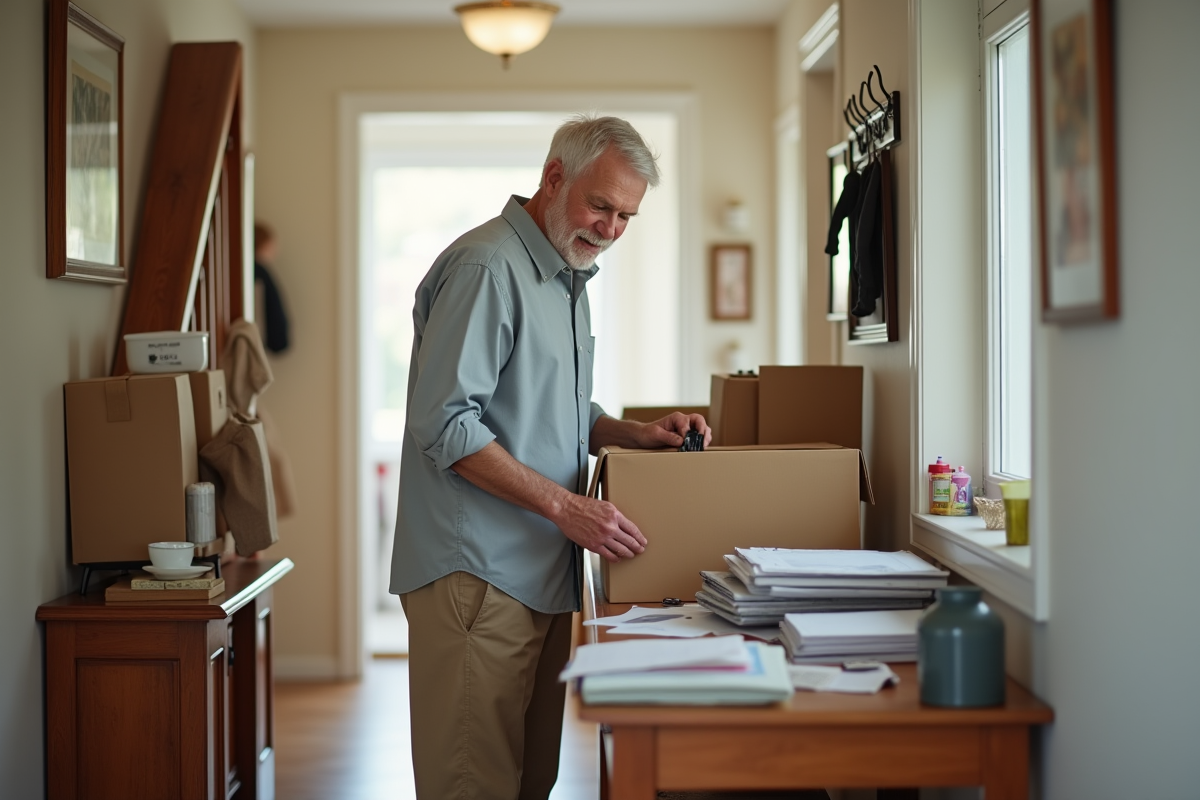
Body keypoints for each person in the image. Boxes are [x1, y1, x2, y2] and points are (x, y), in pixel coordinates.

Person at [389, 114, 711, 800]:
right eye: (602, 206)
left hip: (538, 571)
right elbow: (444, 424)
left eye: (627, 215)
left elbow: (551, 415)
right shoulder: (487, 268)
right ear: (554, 177)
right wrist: (569, 507)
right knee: (473, 786)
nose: (611, 229)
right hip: (475, 577)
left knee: (531, 781)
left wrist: (633, 433)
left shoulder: (564, 275)